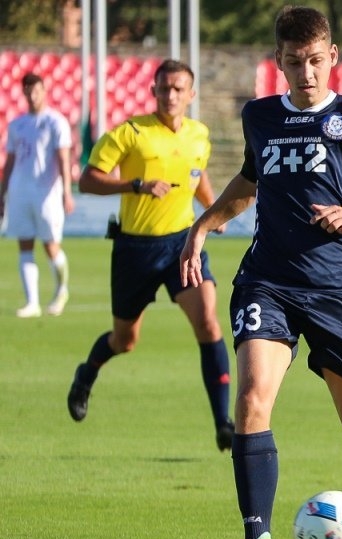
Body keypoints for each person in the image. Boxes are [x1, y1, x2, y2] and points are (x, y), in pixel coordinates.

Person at [179, 5, 342, 539]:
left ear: (332, 57)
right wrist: (205, 224)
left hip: (339, 291)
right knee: (251, 402)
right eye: (293, 62)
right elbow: (249, 181)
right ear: (278, 62)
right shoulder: (259, 116)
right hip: (268, 281)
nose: (305, 73)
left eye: (314, 61)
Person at [67, 59, 234, 454]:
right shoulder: (131, 132)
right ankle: (86, 374)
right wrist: (137, 185)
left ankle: (223, 423)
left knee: (209, 323)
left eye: (178, 89)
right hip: (135, 250)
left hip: (182, 245)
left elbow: (197, 175)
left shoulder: (199, 135)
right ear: (153, 91)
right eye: (164, 88)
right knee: (125, 340)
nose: (170, 95)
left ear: (191, 94)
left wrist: (212, 211)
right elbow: (87, 180)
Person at [1, 73, 75, 317]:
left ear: (44, 91)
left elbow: (63, 158)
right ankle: (32, 302)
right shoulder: (17, 125)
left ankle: (61, 290)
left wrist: (66, 191)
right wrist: (3, 192)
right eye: (28, 91)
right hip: (20, 192)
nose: (32, 95)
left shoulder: (56, 122)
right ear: (23, 92)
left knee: (50, 246)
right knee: (24, 245)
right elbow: (10, 161)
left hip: (47, 194)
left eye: (36, 90)